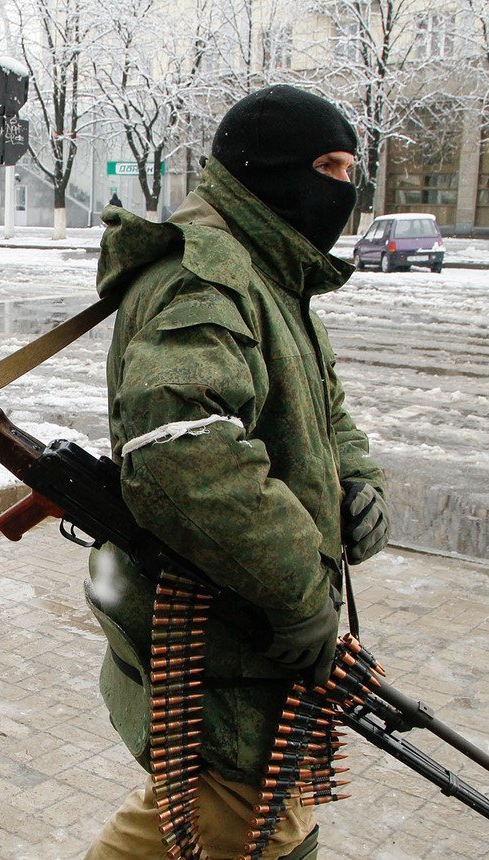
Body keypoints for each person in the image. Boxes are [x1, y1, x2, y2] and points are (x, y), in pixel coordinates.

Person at [84, 85, 389, 858]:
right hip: (225, 622)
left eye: (351, 169)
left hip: (244, 625)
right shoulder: (209, 277)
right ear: (271, 168)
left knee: (228, 813)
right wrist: (297, 594)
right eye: (327, 166)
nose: (344, 190)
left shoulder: (271, 273)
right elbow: (189, 458)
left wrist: (358, 482)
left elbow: (325, 410)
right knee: (248, 820)